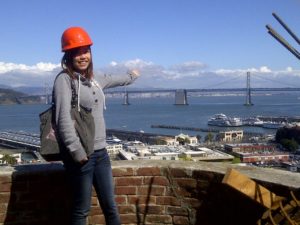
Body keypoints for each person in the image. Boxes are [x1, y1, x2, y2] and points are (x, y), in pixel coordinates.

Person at [53, 26, 139, 225]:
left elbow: (116, 79)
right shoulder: (64, 80)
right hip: (81, 156)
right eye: (77, 52)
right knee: (81, 210)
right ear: (68, 55)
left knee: (111, 207)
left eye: (86, 51)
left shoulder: (94, 79)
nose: (83, 56)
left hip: (101, 153)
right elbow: (62, 119)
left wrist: (132, 75)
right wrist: (77, 152)